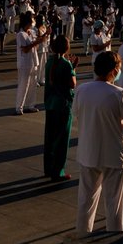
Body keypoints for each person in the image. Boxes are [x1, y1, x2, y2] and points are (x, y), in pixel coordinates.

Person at [73, 51, 123, 233]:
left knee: (86, 200)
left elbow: (78, 115)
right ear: (114, 70)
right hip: (112, 152)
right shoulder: (119, 93)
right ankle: (114, 239)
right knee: (114, 203)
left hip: (88, 151)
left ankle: (83, 235)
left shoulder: (82, 90)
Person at [44, 35, 79, 182]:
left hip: (50, 102)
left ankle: (48, 167)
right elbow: (72, 84)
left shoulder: (50, 61)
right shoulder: (65, 64)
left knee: (50, 137)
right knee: (61, 139)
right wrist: (73, 69)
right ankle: (58, 170)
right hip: (63, 104)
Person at [15, 11, 48, 115]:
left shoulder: (31, 32)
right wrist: (37, 42)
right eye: (31, 22)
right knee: (23, 85)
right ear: (27, 23)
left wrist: (45, 35)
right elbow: (25, 49)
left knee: (33, 85)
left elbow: (36, 46)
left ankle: (31, 105)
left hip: (34, 61)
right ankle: (19, 107)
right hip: (24, 63)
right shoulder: (21, 34)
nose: (33, 24)